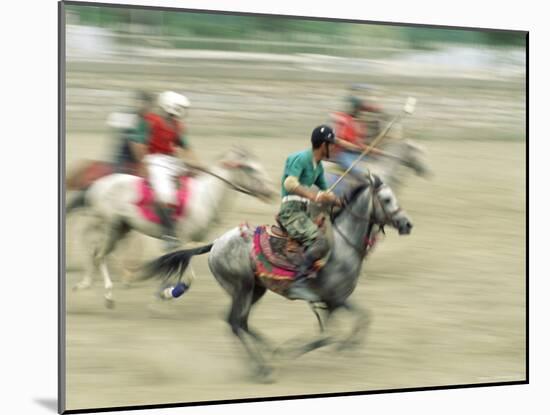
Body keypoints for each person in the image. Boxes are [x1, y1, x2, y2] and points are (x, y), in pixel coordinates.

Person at [278, 125, 340, 301]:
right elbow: (289, 183)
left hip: (305, 212)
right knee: (320, 242)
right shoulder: (301, 158)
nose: (334, 147)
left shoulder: (318, 167)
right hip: (291, 212)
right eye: (331, 144)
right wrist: (314, 196)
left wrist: (339, 200)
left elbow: (326, 192)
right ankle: (298, 282)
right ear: (323, 145)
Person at [130, 90, 199, 250]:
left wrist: (195, 164)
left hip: (172, 160)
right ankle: (168, 235)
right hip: (155, 160)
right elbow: (138, 144)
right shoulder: (150, 121)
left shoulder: (177, 125)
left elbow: (185, 147)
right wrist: (144, 164)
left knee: (196, 184)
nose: (184, 112)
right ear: (171, 106)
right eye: (181, 108)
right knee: (165, 195)